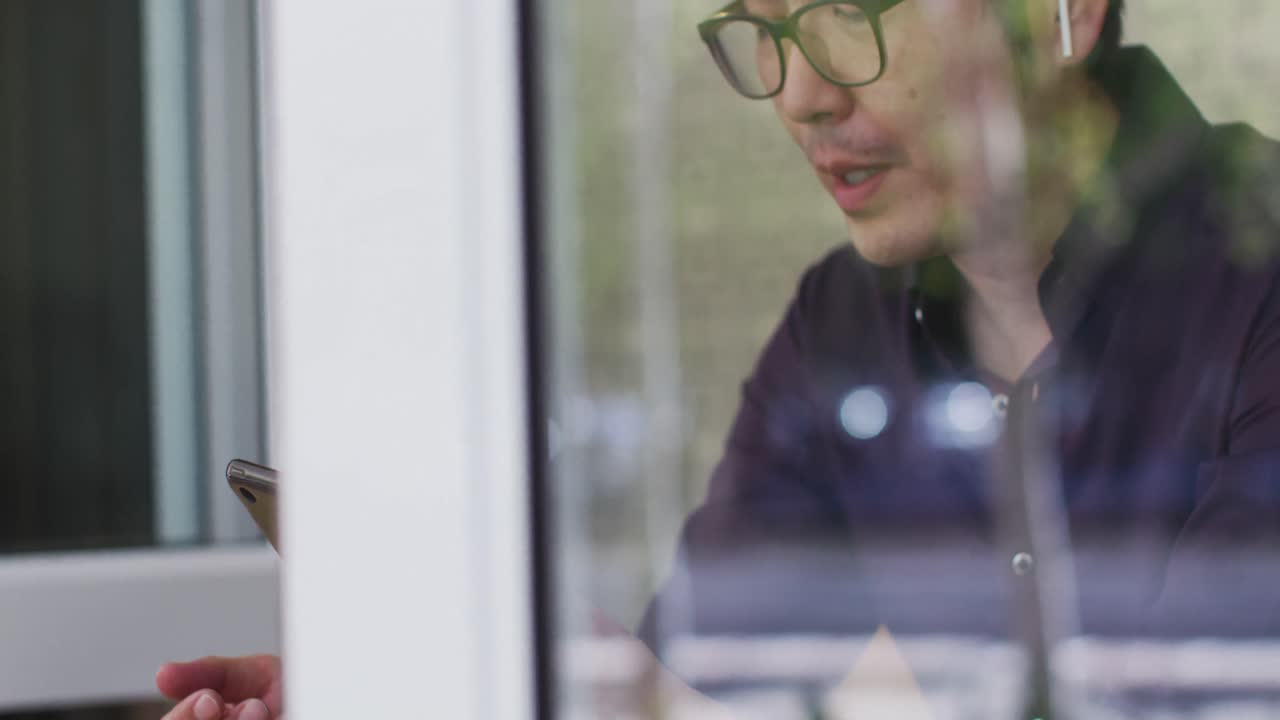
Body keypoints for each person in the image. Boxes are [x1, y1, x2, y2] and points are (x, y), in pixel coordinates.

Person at [158, 0, 1280, 716]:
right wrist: (426, 690)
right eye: (768, 30)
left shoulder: (1262, 271)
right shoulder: (839, 326)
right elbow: (697, 690)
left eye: (847, 14)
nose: (801, 96)